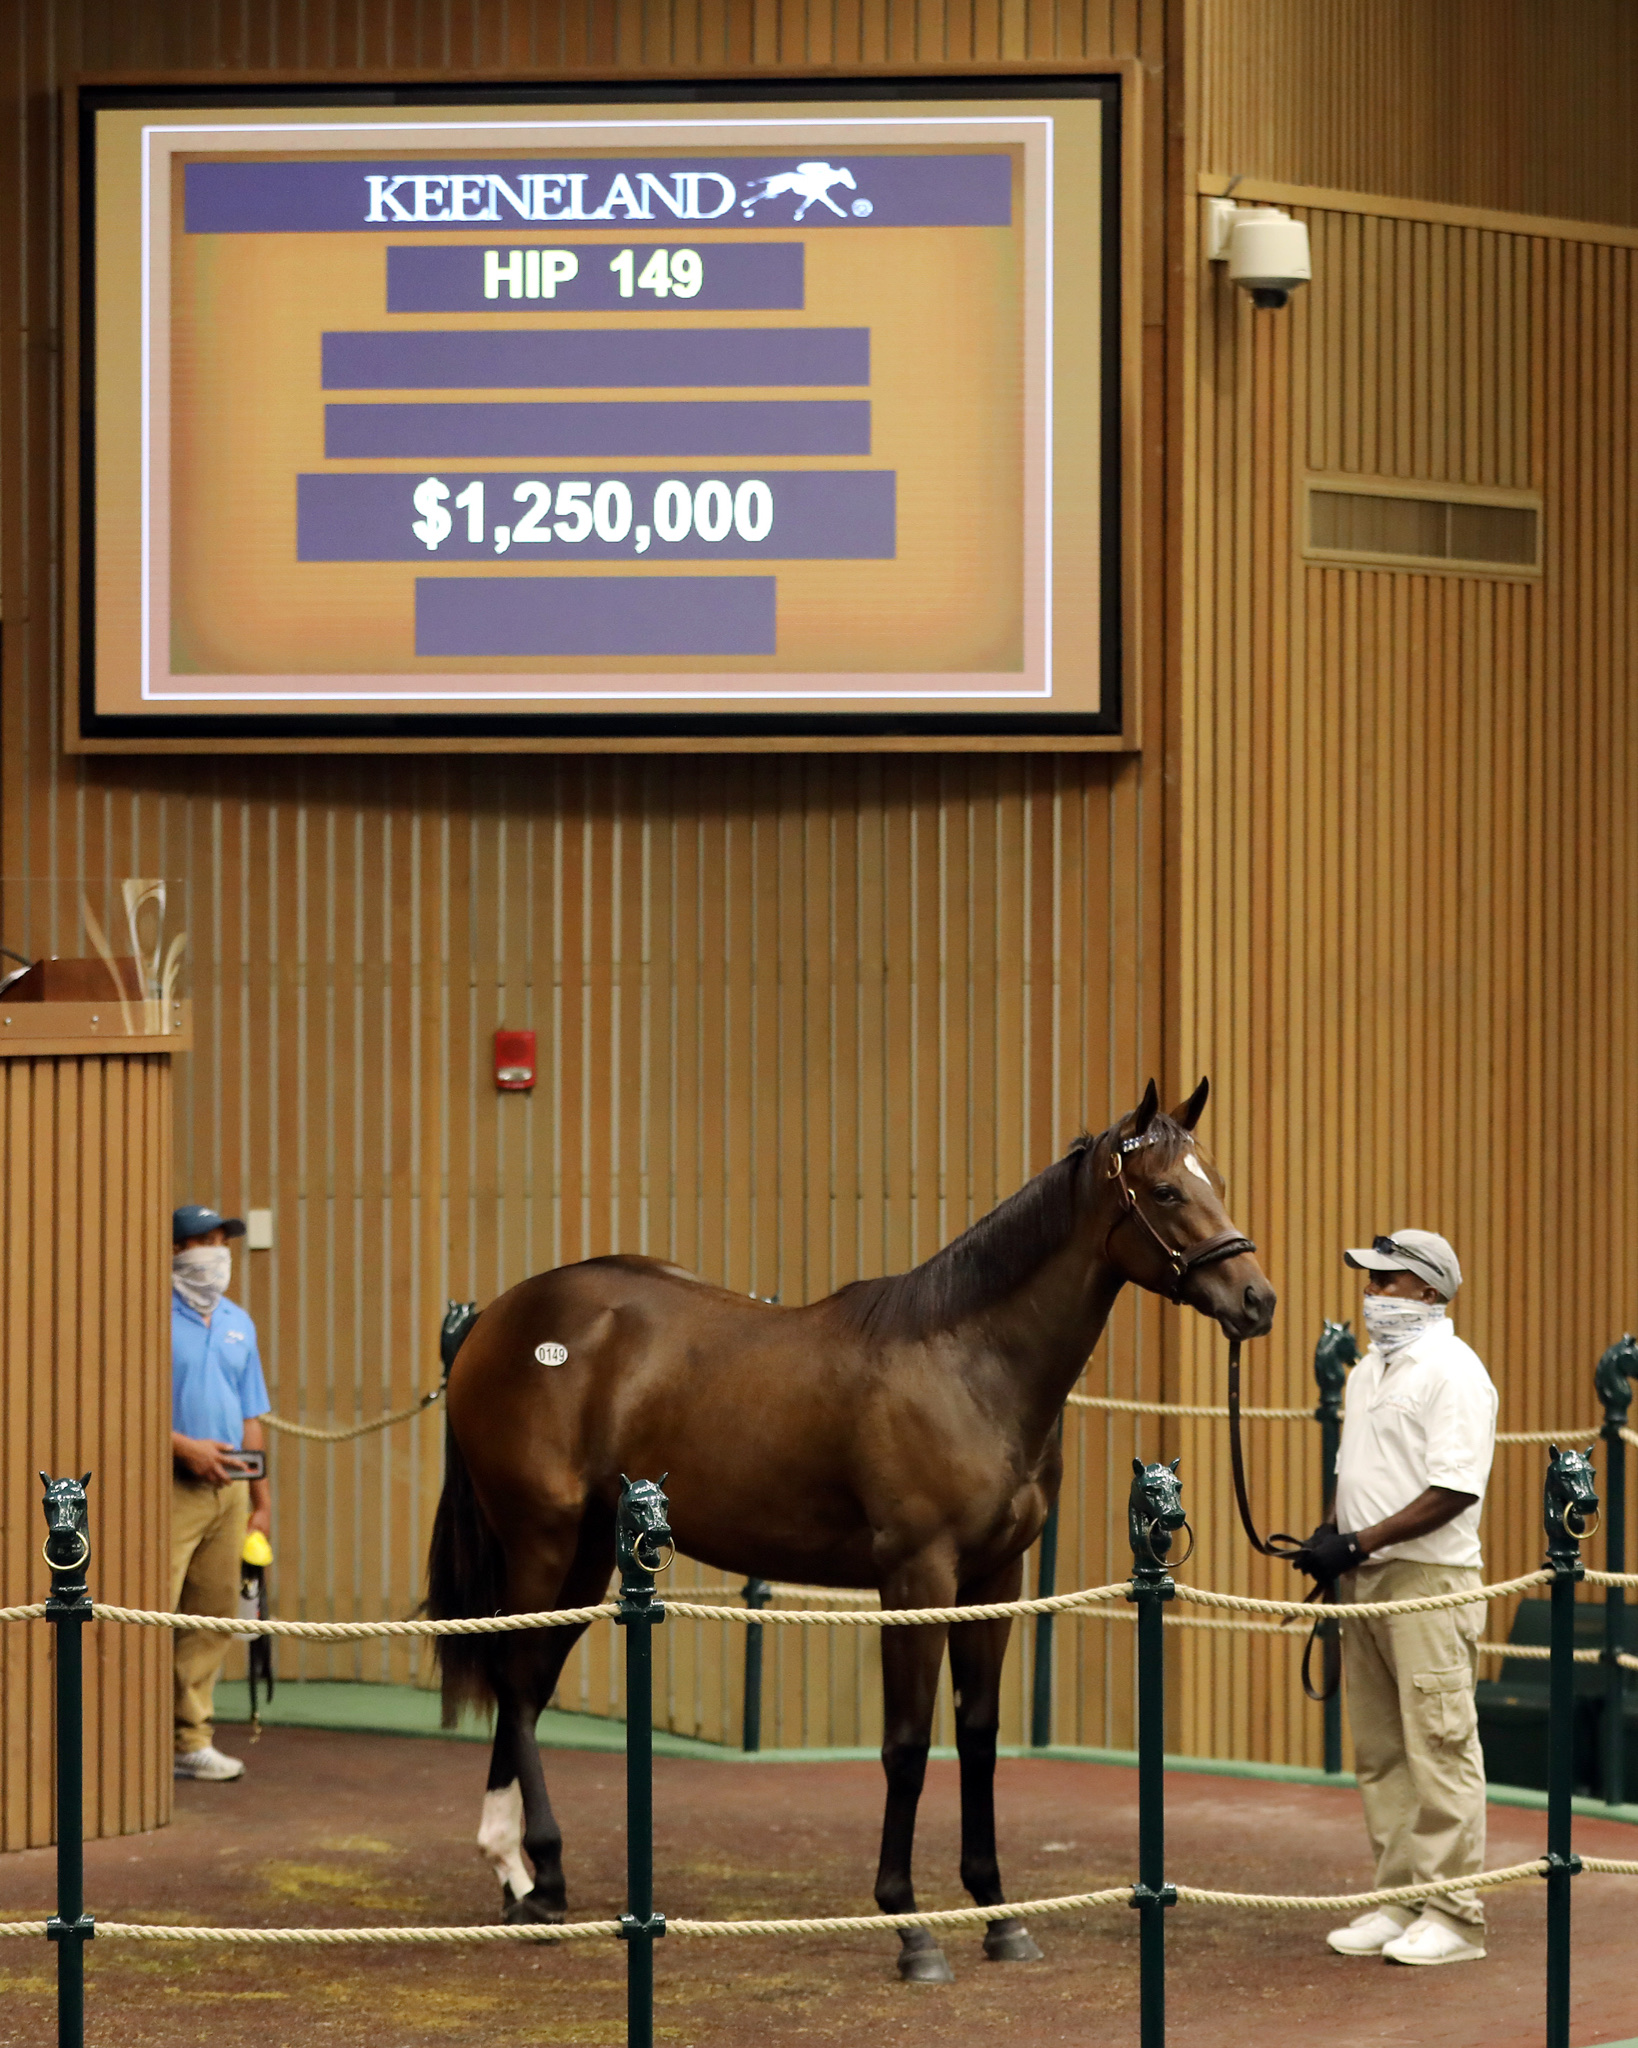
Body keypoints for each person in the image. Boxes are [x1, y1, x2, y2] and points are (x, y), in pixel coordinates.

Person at [1293, 1229, 1498, 1967]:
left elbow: (1453, 1489)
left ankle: (1455, 1914)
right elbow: (1360, 1470)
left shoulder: (1454, 1372)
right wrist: (1332, 1533)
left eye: (1388, 1280)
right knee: (1381, 1751)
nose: (1373, 1292)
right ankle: (1403, 1897)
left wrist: (1358, 1542)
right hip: (1368, 1578)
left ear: (1431, 1292)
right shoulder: (1366, 1373)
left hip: (1427, 1582)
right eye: (1371, 1280)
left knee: (1439, 1746)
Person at [170, 1203, 271, 1782]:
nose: (216, 1252)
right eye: (202, 1240)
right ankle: (131, 1741)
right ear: (176, 1251)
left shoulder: (238, 1321)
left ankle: (190, 1740)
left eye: (221, 1240)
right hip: (169, 1488)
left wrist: (262, 1500)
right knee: (152, 1611)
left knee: (212, 1618)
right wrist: (185, 1447)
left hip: (230, 1492)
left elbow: (251, 1415)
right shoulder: (148, 1315)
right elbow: (128, 1408)